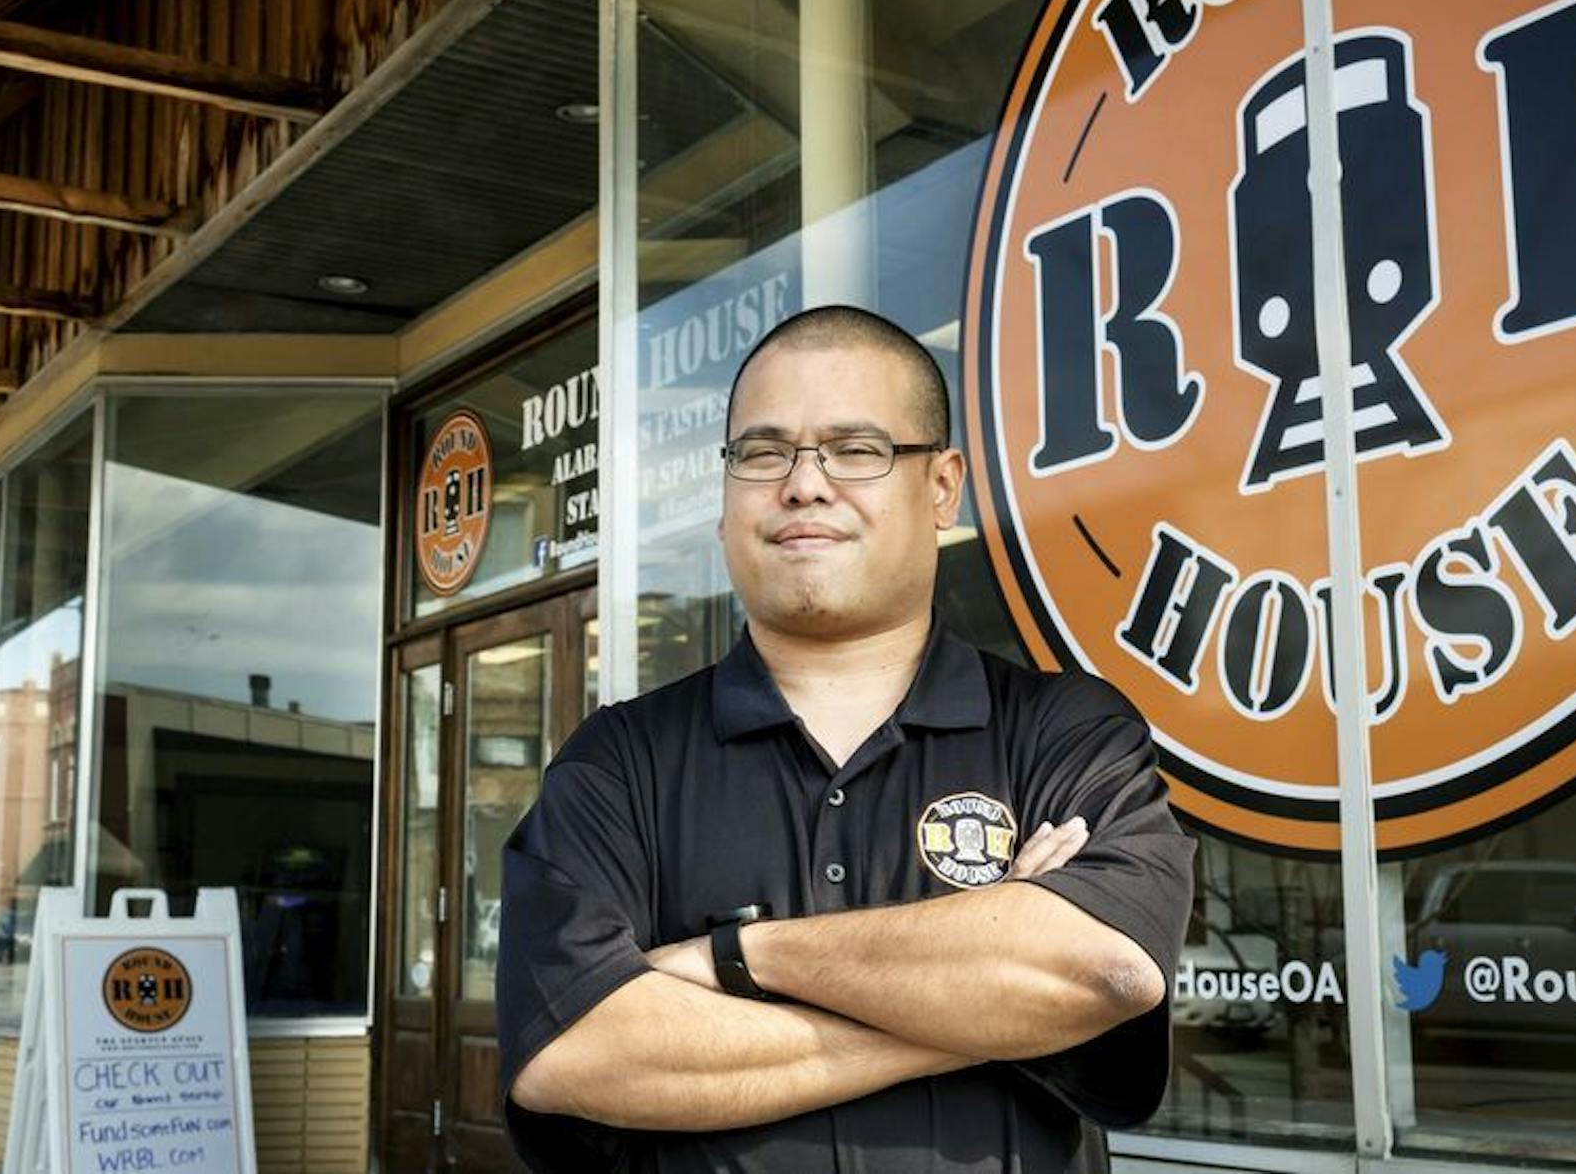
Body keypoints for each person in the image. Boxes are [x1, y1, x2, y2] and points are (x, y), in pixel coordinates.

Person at [497, 305, 1196, 1171]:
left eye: (856, 449)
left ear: (941, 488)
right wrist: (990, 1019)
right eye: (763, 453)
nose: (803, 483)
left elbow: (1102, 976)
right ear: (725, 503)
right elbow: (576, 1052)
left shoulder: (1067, 732)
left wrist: (735, 956)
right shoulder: (617, 763)